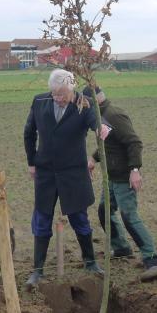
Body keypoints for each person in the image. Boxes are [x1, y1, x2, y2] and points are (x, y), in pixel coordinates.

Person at [23, 69, 107, 290]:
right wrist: (32, 162)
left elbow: (97, 122)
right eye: (55, 94)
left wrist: (102, 128)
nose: (58, 99)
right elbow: (29, 132)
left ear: (72, 89)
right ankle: (38, 271)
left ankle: (90, 262)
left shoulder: (84, 102)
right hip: (46, 172)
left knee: (80, 218)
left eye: (62, 94)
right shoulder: (40, 100)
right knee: (42, 219)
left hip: (73, 173)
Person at [84, 86, 157, 281]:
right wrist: (94, 159)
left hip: (123, 176)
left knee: (129, 216)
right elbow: (110, 145)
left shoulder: (114, 115)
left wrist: (135, 170)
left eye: (85, 102)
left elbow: (133, 142)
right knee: (105, 211)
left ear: (94, 100)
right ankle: (121, 247)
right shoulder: (99, 116)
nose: (83, 106)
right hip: (111, 176)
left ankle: (153, 260)